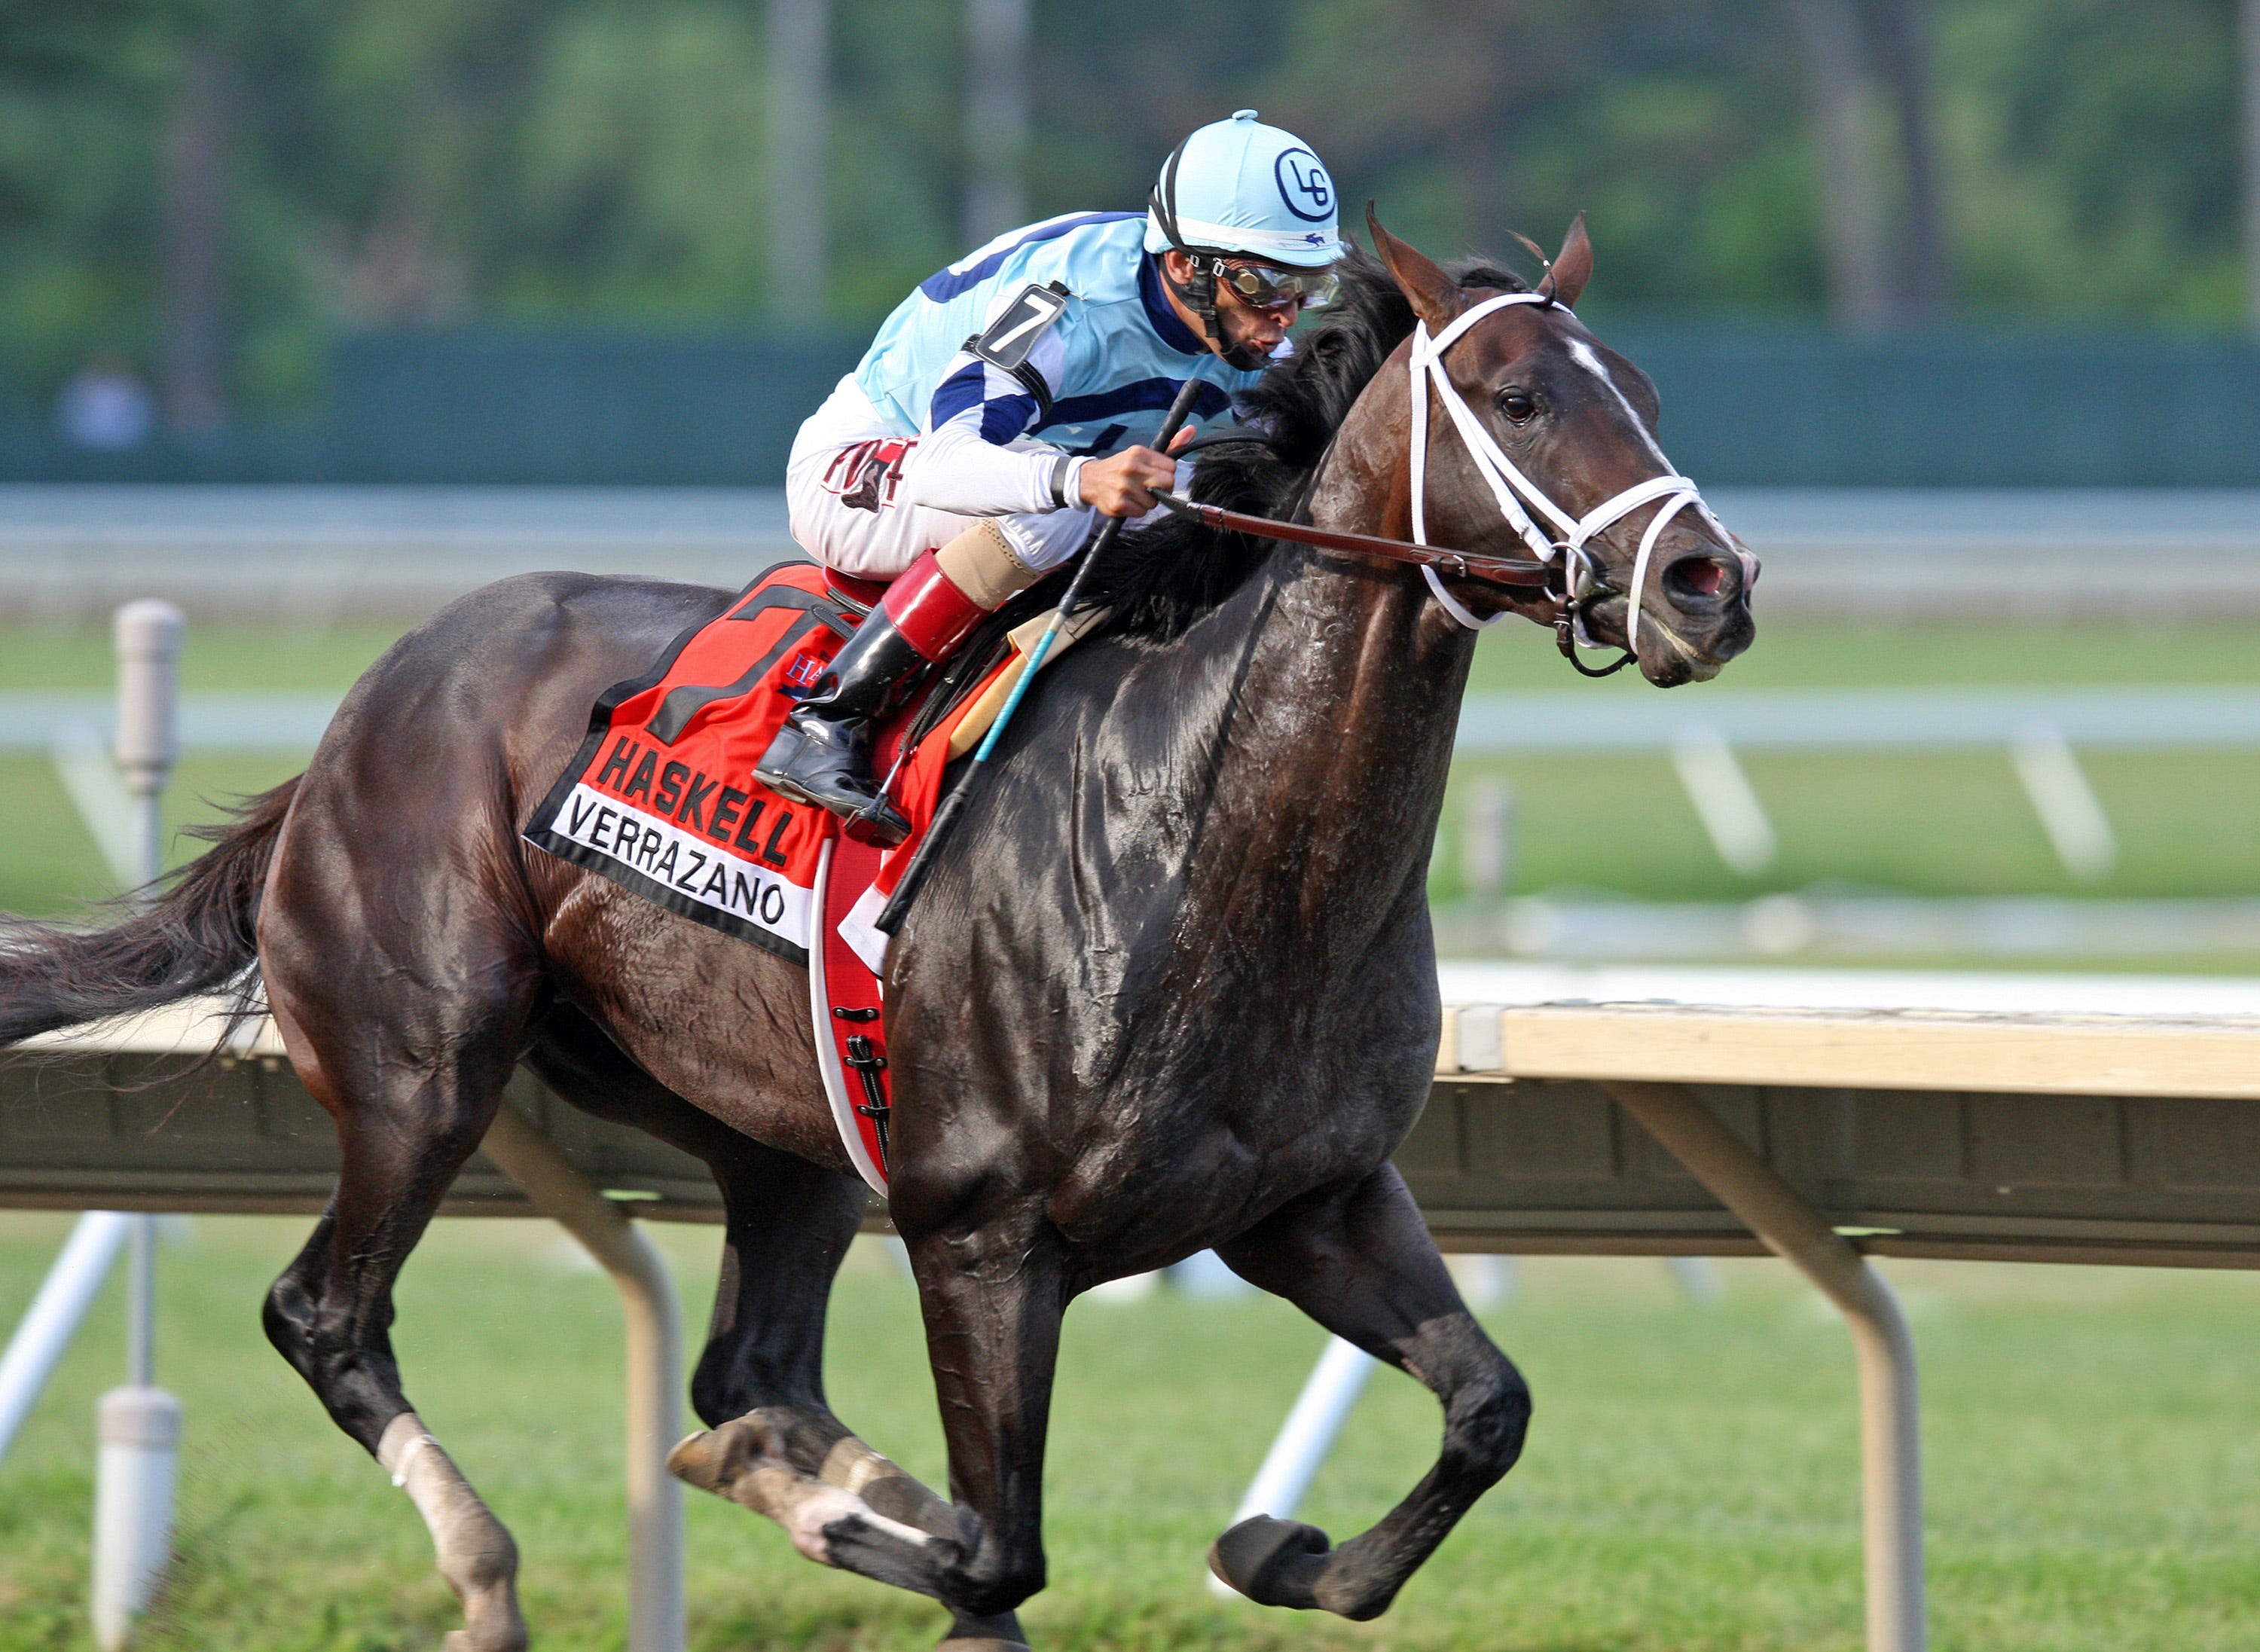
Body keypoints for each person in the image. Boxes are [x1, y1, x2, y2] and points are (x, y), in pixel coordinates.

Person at [757, 109, 1343, 844]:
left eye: (1308, 287)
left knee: (1212, 506)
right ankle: (831, 715)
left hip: (1009, 461)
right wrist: (1083, 481)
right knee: (1062, 507)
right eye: (1262, 285)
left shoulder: (1243, 325)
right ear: (1185, 266)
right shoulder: (1064, 303)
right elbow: (945, 463)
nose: (1284, 317)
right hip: (875, 461)